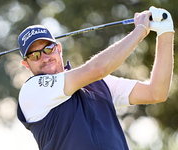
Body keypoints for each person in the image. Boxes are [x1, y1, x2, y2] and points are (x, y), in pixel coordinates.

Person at [17, 6, 174, 150]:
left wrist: (165, 32)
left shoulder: (99, 83)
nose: (45, 58)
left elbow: (156, 92)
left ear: (58, 49)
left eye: (49, 49)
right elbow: (98, 68)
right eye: (35, 55)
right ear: (26, 64)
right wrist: (140, 30)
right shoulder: (32, 91)